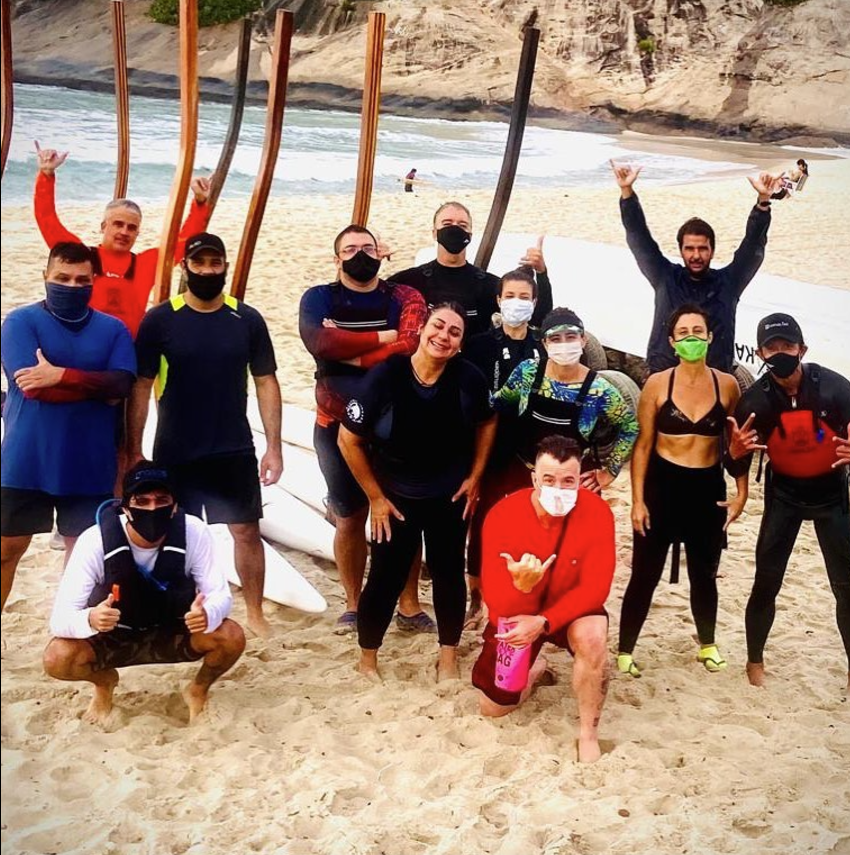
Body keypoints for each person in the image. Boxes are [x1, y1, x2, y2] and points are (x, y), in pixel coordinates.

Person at [127, 233, 282, 638]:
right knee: (178, 532)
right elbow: (141, 386)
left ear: (226, 267)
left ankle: (255, 611)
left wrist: (274, 447)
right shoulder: (161, 319)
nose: (209, 271)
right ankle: (183, 608)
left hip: (233, 446)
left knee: (246, 532)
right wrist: (133, 448)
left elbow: (266, 382)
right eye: (201, 263)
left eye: (216, 263)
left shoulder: (246, 319)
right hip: (177, 448)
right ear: (185, 268)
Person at [338, 303, 497, 682]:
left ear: (460, 344)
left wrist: (475, 476)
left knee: (447, 575)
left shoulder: (468, 378)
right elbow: (348, 441)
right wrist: (375, 497)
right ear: (422, 329)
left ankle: (447, 657)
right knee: (385, 578)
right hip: (396, 498)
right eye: (438, 326)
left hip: (449, 497)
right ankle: (368, 659)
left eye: (454, 332)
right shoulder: (386, 376)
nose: (443, 336)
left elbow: (489, 421)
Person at [299, 224, 432, 634]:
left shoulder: (403, 296)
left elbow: (410, 344)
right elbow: (320, 344)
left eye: (368, 247)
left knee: (405, 515)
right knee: (350, 516)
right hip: (334, 422)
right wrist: (382, 338)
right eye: (351, 248)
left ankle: (408, 605)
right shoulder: (319, 296)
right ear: (336, 257)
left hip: (394, 426)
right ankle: (354, 605)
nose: (361, 254)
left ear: (382, 254)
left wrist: (352, 355)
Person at [43, 461, 245, 725]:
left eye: (162, 500)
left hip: (172, 629)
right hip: (115, 634)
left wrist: (208, 613)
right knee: (58, 658)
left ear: (174, 506)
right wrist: (90, 618)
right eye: (142, 501)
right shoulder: (94, 541)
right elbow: (60, 618)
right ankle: (105, 682)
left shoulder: (194, 531)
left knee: (231, 636)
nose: (153, 508)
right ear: (125, 508)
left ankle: (198, 689)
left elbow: (220, 594)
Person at [1, 242, 136, 609]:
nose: (71, 286)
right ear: (46, 276)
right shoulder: (20, 322)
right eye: (62, 278)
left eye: (81, 280)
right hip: (25, 460)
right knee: (6, 550)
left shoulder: (113, 329)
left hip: (89, 464)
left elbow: (123, 386)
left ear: (94, 281)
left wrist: (59, 375)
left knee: (84, 561)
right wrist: (96, 386)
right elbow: (31, 388)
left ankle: (72, 631)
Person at [617, 305, 749, 677]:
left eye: (698, 331)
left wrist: (742, 492)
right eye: (684, 333)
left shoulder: (727, 384)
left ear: (710, 337)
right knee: (645, 573)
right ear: (673, 342)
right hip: (662, 486)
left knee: (705, 573)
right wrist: (637, 500)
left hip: (706, 488)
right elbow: (642, 445)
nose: (691, 338)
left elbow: (736, 443)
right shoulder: (658, 384)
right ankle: (626, 648)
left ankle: (707, 644)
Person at [471, 435, 615, 764]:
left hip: (569, 609)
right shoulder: (503, 514)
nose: (558, 489)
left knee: (593, 638)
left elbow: (597, 589)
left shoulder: (597, 513)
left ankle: (588, 733)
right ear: (534, 478)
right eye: (548, 479)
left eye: (568, 481)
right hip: (520, 610)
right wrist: (522, 587)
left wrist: (545, 621)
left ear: (581, 480)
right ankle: (533, 669)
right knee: (493, 709)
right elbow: (496, 606)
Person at [725, 313, 850, 688]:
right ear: (760, 352)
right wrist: (732, 452)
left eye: (787, 346)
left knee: (845, 586)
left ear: (802, 349)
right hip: (785, 497)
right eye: (772, 347)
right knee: (767, 579)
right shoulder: (755, 401)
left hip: (831, 495)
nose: (780, 353)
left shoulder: (834, 388)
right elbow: (735, 460)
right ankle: (754, 662)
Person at [611, 159, 784, 375]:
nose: (696, 255)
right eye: (689, 248)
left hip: (715, 380)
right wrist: (627, 191)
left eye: (702, 248)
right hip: (665, 377)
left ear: (712, 250)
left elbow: (753, 249)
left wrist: (763, 201)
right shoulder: (665, 278)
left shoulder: (729, 284)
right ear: (681, 249)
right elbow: (639, 238)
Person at [33, 141, 211, 339]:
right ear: (103, 226)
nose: (124, 232)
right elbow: (47, 219)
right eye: (118, 224)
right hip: (83, 344)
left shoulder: (147, 263)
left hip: (127, 351)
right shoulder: (82, 258)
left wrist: (200, 203)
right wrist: (46, 174)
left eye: (131, 227)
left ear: (137, 233)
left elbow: (185, 242)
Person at [463, 266, 544, 627]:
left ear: (535, 302)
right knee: (481, 524)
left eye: (524, 297)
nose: (516, 303)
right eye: (510, 296)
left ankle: (520, 593)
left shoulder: (543, 346)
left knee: (526, 526)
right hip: (486, 446)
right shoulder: (480, 344)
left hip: (528, 453)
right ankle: (476, 597)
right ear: (498, 300)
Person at [492, 307, 638, 498]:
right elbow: (499, 404)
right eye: (555, 339)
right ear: (544, 343)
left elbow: (630, 427)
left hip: (574, 483)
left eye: (571, 337)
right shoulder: (528, 372)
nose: (564, 344)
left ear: (583, 340)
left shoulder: (600, 389)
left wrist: (610, 471)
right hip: (523, 475)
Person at [387, 201, 553, 336]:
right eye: (447, 223)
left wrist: (541, 273)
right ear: (434, 233)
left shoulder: (489, 284)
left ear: (470, 235)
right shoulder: (410, 280)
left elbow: (537, 319)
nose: (455, 229)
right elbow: (371, 301)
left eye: (462, 225)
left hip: (473, 368)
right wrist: (371, 263)